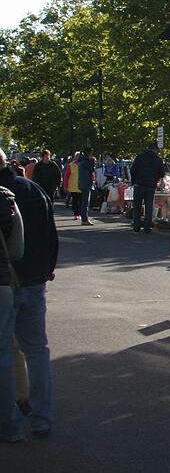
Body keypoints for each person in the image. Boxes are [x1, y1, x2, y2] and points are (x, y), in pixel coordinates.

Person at [0, 150, 58, 440]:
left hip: (6, 281)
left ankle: (10, 425)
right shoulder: (31, 189)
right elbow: (51, 232)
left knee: (4, 354)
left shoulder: (7, 194)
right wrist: (48, 268)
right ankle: (42, 418)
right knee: (37, 350)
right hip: (34, 277)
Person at [1, 184, 26, 443]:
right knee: (3, 356)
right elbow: (17, 249)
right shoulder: (6, 199)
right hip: (2, 283)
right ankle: (10, 426)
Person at [130, 142, 166, 234]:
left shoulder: (139, 157)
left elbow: (133, 170)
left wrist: (134, 181)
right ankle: (147, 227)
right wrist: (155, 179)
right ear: (155, 149)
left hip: (139, 184)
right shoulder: (157, 159)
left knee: (137, 206)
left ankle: (136, 226)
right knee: (149, 207)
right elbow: (162, 173)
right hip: (151, 185)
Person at [76, 148, 97, 225]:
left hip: (83, 182)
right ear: (88, 154)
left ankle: (84, 218)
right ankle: (85, 219)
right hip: (86, 183)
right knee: (85, 202)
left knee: (84, 202)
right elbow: (92, 169)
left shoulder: (81, 161)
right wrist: (92, 161)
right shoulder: (86, 162)